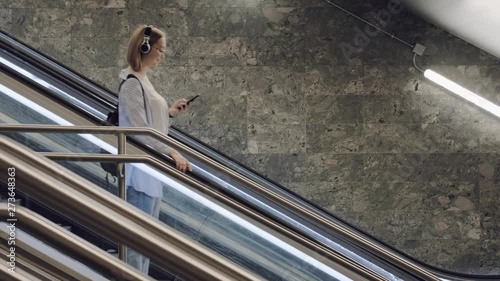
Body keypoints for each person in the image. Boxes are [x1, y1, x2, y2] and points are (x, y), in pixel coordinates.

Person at [118, 24, 192, 274]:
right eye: (159, 49)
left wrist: (169, 113)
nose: (161, 55)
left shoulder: (144, 81)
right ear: (144, 47)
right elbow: (140, 131)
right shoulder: (131, 83)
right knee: (137, 243)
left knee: (147, 243)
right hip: (139, 173)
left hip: (150, 172)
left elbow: (150, 124)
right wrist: (172, 151)